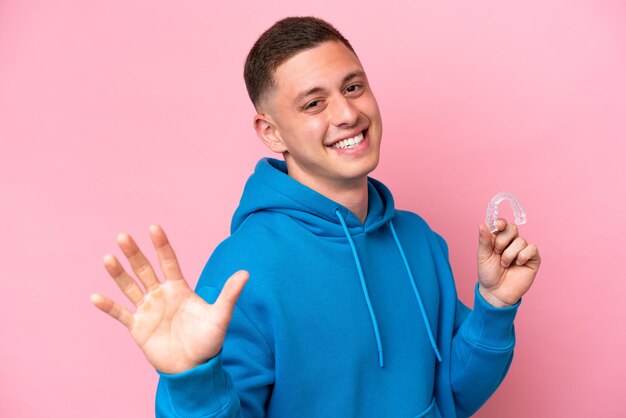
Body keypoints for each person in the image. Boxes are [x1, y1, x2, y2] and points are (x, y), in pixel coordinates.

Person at [91, 16, 541, 418]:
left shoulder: (418, 240)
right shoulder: (242, 270)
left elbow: (452, 397)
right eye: (313, 103)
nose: (348, 114)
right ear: (270, 131)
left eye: (352, 87)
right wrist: (191, 381)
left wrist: (495, 308)